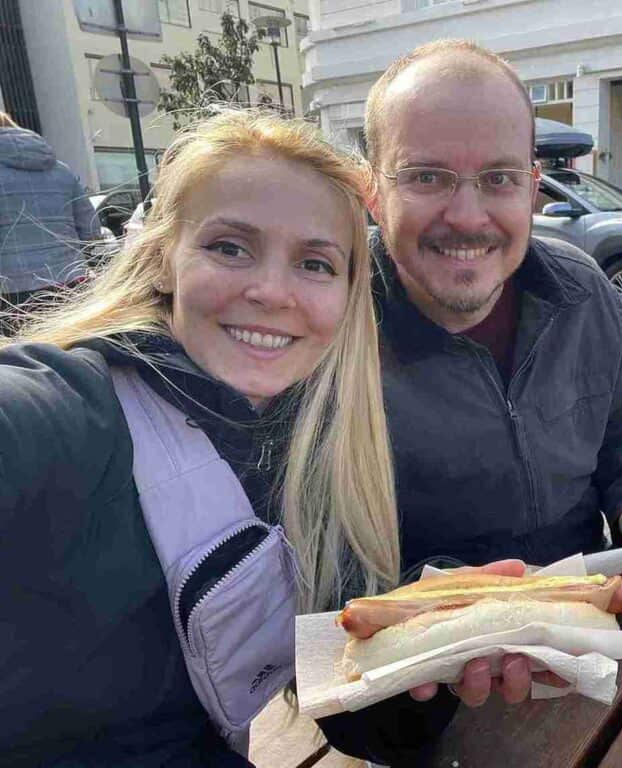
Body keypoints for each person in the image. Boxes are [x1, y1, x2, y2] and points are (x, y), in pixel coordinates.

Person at [0, 109, 489, 766]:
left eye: (315, 263)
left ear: (349, 297)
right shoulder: (72, 410)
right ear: (162, 260)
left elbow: (354, 721)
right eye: (230, 247)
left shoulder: (317, 453)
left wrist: (430, 651)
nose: (270, 291)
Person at [362, 40, 622, 589]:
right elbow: (312, 550)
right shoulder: (331, 328)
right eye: (426, 176)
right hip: (418, 647)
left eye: (499, 179)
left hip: (593, 611)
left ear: (532, 189)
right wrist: (446, 600)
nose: (467, 217)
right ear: (371, 191)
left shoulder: (583, 293)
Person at [0, 111, 99, 334]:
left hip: (10, 297)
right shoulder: (61, 171)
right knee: (75, 353)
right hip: (70, 285)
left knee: (19, 363)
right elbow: (91, 228)